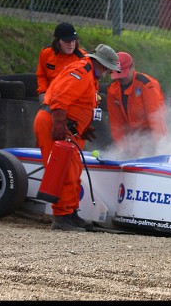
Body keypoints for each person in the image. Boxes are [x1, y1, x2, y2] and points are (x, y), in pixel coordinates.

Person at [33, 44, 121, 232]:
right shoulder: (81, 72)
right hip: (54, 124)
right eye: (108, 69)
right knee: (62, 171)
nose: (107, 73)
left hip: (67, 128)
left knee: (72, 171)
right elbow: (60, 99)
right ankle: (62, 217)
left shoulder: (88, 75)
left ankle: (70, 214)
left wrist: (83, 127)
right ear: (103, 65)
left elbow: (77, 104)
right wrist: (58, 125)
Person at [106, 52, 167, 155]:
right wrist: (121, 148)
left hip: (149, 134)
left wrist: (159, 147)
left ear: (132, 67)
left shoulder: (147, 85)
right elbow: (116, 123)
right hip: (132, 136)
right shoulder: (112, 89)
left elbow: (156, 118)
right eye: (117, 73)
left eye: (123, 73)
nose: (120, 78)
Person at [35, 22, 87, 103]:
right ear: (58, 41)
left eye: (73, 41)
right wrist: (42, 92)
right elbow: (41, 75)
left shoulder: (83, 59)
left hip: (73, 101)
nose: (71, 44)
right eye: (67, 41)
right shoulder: (46, 53)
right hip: (50, 97)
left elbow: (88, 84)